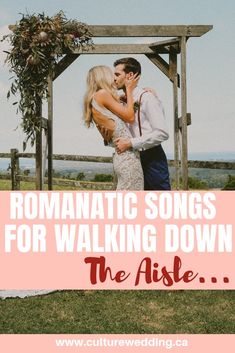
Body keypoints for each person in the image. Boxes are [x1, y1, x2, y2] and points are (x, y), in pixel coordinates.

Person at [112, 57, 171, 190]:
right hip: (130, 159)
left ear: (130, 75)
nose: (114, 78)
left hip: (152, 158)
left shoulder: (147, 98)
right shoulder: (121, 101)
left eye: (117, 74)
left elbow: (162, 133)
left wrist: (130, 143)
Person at [83, 65, 144, 190]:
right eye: (111, 75)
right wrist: (129, 89)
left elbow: (110, 132)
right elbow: (130, 117)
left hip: (122, 157)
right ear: (103, 77)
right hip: (128, 158)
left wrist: (124, 99)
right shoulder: (102, 94)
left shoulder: (95, 99)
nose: (114, 78)